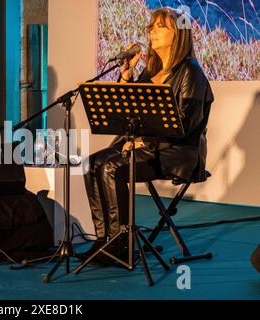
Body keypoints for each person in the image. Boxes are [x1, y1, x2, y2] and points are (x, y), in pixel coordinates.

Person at [80, 7, 214, 263]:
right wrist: (127, 75)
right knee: (93, 164)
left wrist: (143, 139)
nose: (152, 31)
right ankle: (104, 239)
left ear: (179, 34)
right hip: (147, 146)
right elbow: (129, 111)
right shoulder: (150, 72)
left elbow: (184, 125)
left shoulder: (191, 72)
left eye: (160, 26)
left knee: (110, 168)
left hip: (179, 152)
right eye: (151, 26)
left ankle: (120, 243)